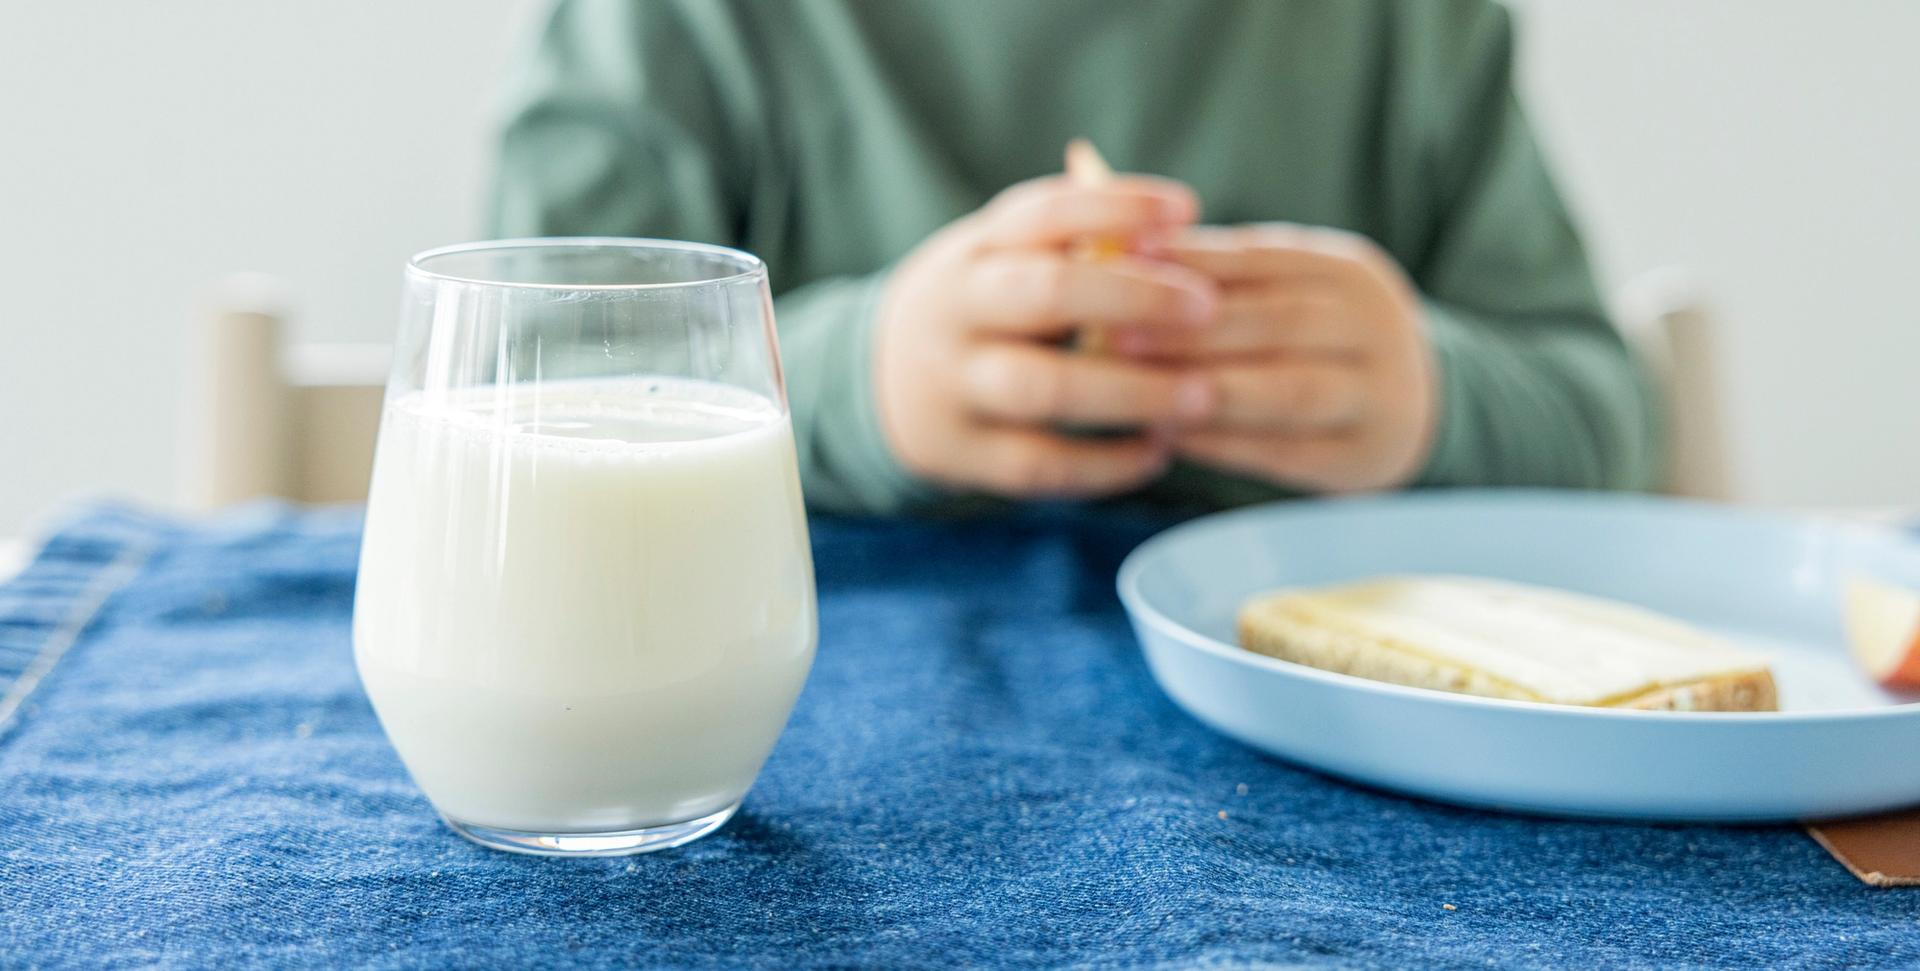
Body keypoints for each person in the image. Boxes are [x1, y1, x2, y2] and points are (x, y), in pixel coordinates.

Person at [490, 0, 1659, 515]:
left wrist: (1429, 400)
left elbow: (1606, 421)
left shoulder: (1409, 27)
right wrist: (856, 382)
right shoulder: (673, 23)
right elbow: (517, 391)